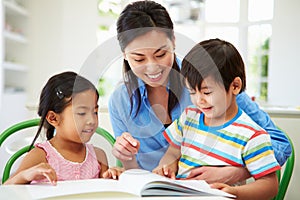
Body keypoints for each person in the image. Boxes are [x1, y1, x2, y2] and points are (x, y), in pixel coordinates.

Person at [108, 0, 290, 184]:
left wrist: (238, 171)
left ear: (173, 41)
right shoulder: (120, 101)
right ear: (124, 54)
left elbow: (280, 144)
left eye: (161, 54)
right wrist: (126, 159)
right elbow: (135, 173)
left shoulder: (209, 80)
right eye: (139, 59)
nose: (152, 67)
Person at [153, 38, 281, 199]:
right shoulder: (188, 118)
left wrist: (235, 192)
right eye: (192, 92)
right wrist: (167, 167)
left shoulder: (252, 135)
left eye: (207, 92)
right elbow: (173, 152)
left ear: (235, 86)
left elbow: (270, 186)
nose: (199, 100)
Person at [4, 71, 123, 185]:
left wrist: (113, 178)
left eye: (95, 112)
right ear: (53, 118)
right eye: (82, 113)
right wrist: (25, 175)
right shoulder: (40, 156)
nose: (92, 120)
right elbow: (6, 190)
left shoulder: (99, 156)